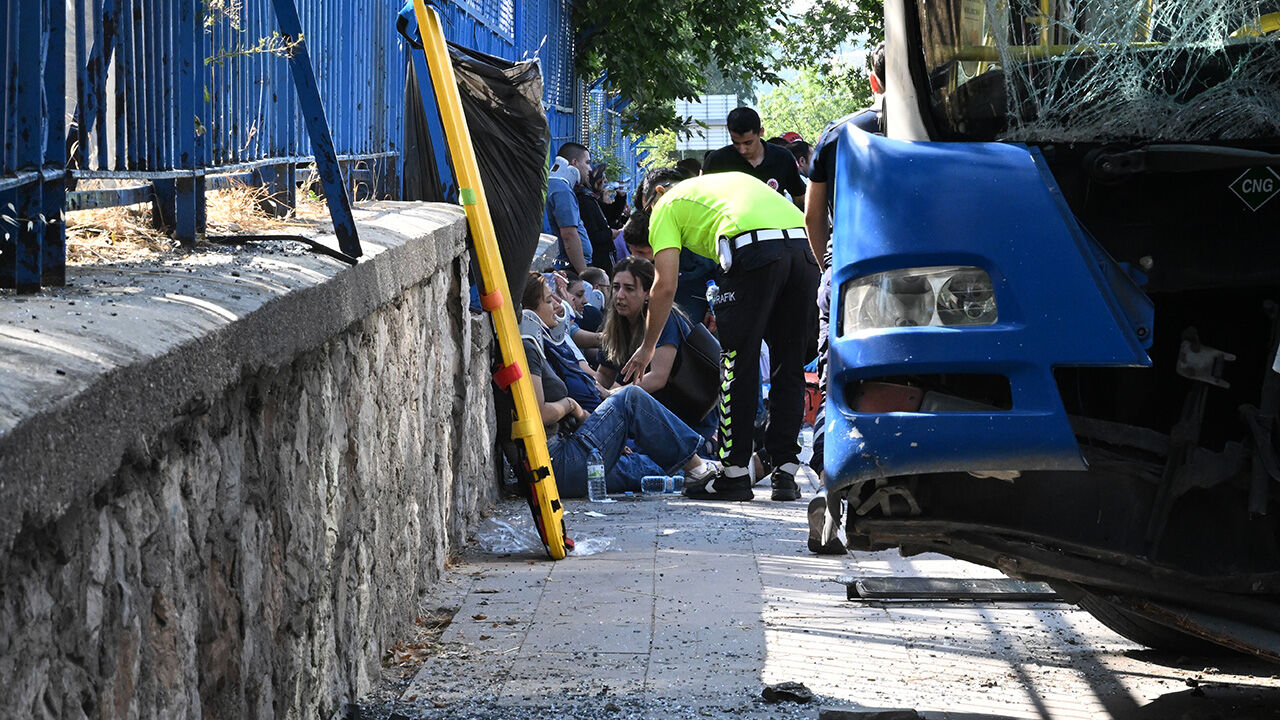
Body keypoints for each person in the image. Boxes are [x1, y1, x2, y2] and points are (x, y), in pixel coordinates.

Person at [622, 168, 818, 502]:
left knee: (736, 363)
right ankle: (785, 472)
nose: (651, 222)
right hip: (802, 250)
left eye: (647, 209)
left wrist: (647, 347)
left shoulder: (666, 205)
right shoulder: (723, 184)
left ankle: (734, 474)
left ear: (656, 192)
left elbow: (664, 285)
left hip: (753, 251)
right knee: (789, 362)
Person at [520, 273, 723, 498]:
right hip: (559, 464)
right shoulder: (529, 348)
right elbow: (537, 412)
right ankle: (704, 468)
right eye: (549, 301)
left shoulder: (547, 343)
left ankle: (719, 469)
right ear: (529, 312)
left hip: (568, 457)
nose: (557, 305)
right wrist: (571, 406)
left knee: (652, 467)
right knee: (630, 398)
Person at [804, 41, 886, 554]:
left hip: (848, 276)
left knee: (836, 379)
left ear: (873, 80)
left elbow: (813, 216)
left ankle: (828, 491)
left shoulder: (840, 133)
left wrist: (828, 267)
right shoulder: (944, 130)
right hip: (925, 278)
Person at [597, 257, 718, 444]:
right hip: (644, 416)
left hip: (683, 419)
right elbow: (605, 372)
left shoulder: (665, 318)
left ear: (648, 293)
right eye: (615, 287)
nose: (620, 295)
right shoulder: (615, 322)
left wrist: (612, 395)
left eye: (629, 289)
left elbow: (658, 377)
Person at [703, 107, 807, 209]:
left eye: (748, 143)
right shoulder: (717, 161)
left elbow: (799, 197)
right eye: (736, 143)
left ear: (761, 132)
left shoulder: (783, 158)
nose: (742, 149)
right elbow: (704, 199)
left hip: (772, 224)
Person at [544, 143, 593, 274]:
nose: (590, 169)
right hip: (568, 268)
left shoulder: (553, 185)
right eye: (587, 162)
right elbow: (569, 235)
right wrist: (583, 273)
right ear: (575, 162)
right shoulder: (562, 190)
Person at [578, 164, 623, 272]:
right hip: (599, 260)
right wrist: (610, 233)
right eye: (602, 177)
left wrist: (620, 197)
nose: (605, 180)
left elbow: (610, 214)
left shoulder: (590, 198)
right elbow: (592, 235)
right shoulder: (585, 201)